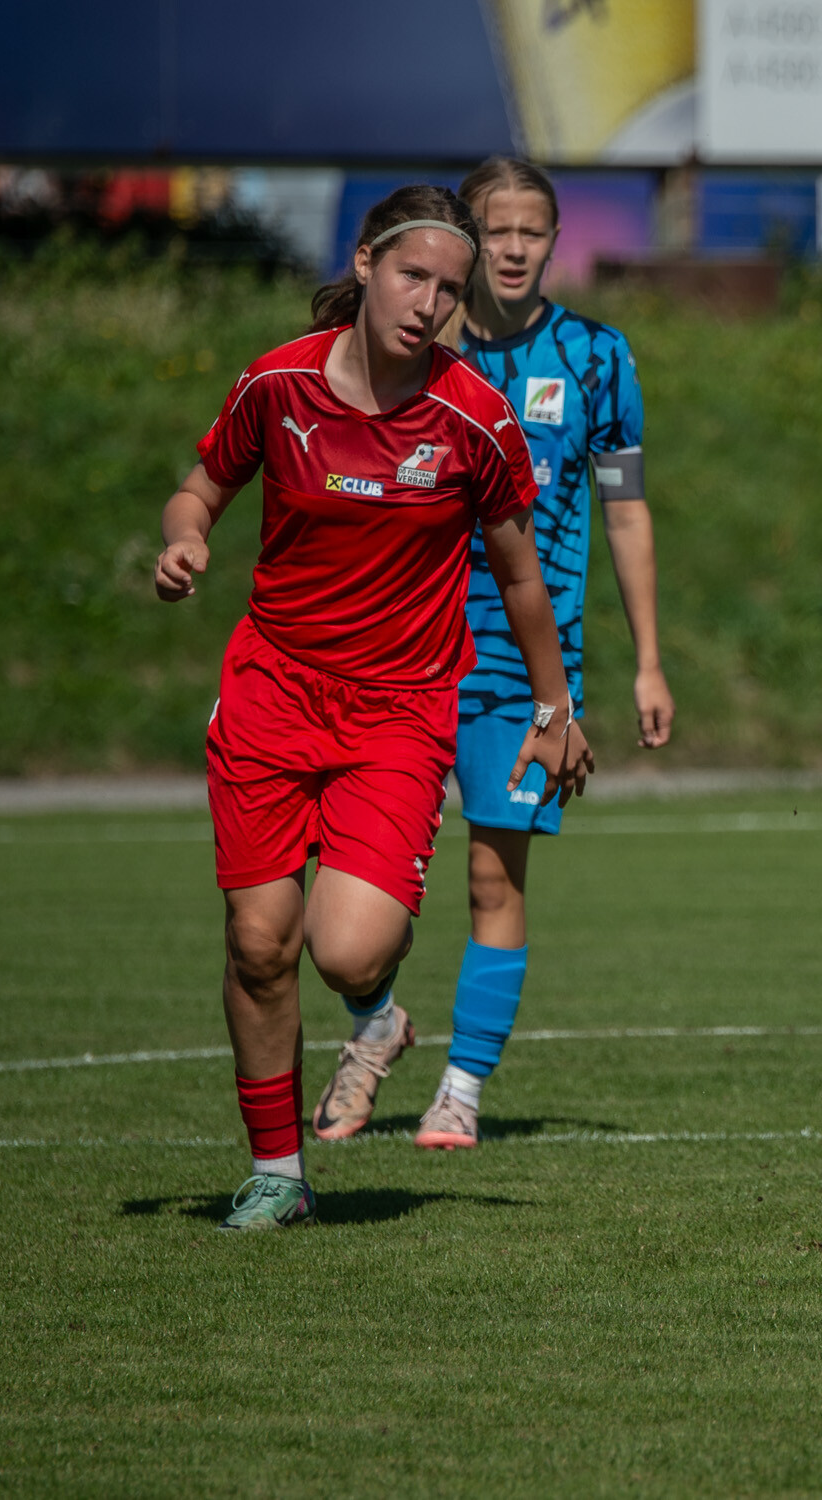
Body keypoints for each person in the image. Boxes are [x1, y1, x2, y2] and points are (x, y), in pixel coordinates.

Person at [154, 184, 591, 1231]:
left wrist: (554, 707)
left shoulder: (474, 416)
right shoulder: (278, 384)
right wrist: (185, 539)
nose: (429, 303)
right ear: (363, 264)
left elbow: (520, 574)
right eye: (412, 276)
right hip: (271, 693)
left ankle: (376, 1013)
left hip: (397, 712)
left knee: (347, 949)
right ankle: (276, 1173)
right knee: (259, 942)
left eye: (449, 289)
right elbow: (200, 488)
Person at [411, 157, 671, 1151]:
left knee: (492, 878)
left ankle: (460, 1091)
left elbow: (626, 510)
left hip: (528, 670)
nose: (515, 248)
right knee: (363, 882)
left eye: (533, 231)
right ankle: (372, 1024)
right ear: (467, 237)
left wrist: (648, 661)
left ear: (556, 240)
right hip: (405, 649)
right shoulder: (417, 351)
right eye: (497, 229)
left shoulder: (598, 358)